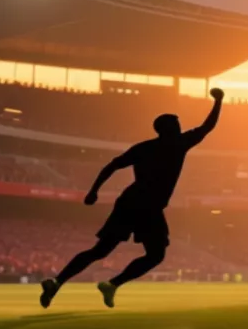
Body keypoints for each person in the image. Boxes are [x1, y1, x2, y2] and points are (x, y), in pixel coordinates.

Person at [39, 88, 225, 309]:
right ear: (169, 129)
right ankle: (113, 284)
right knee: (155, 255)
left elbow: (112, 165)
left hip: (129, 201)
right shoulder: (179, 143)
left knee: (100, 250)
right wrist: (218, 101)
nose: (180, 126)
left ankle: (57, 282)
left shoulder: (143, 148)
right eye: (176, 124)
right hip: (150, 207)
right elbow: (208, 126)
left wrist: (94, 190)